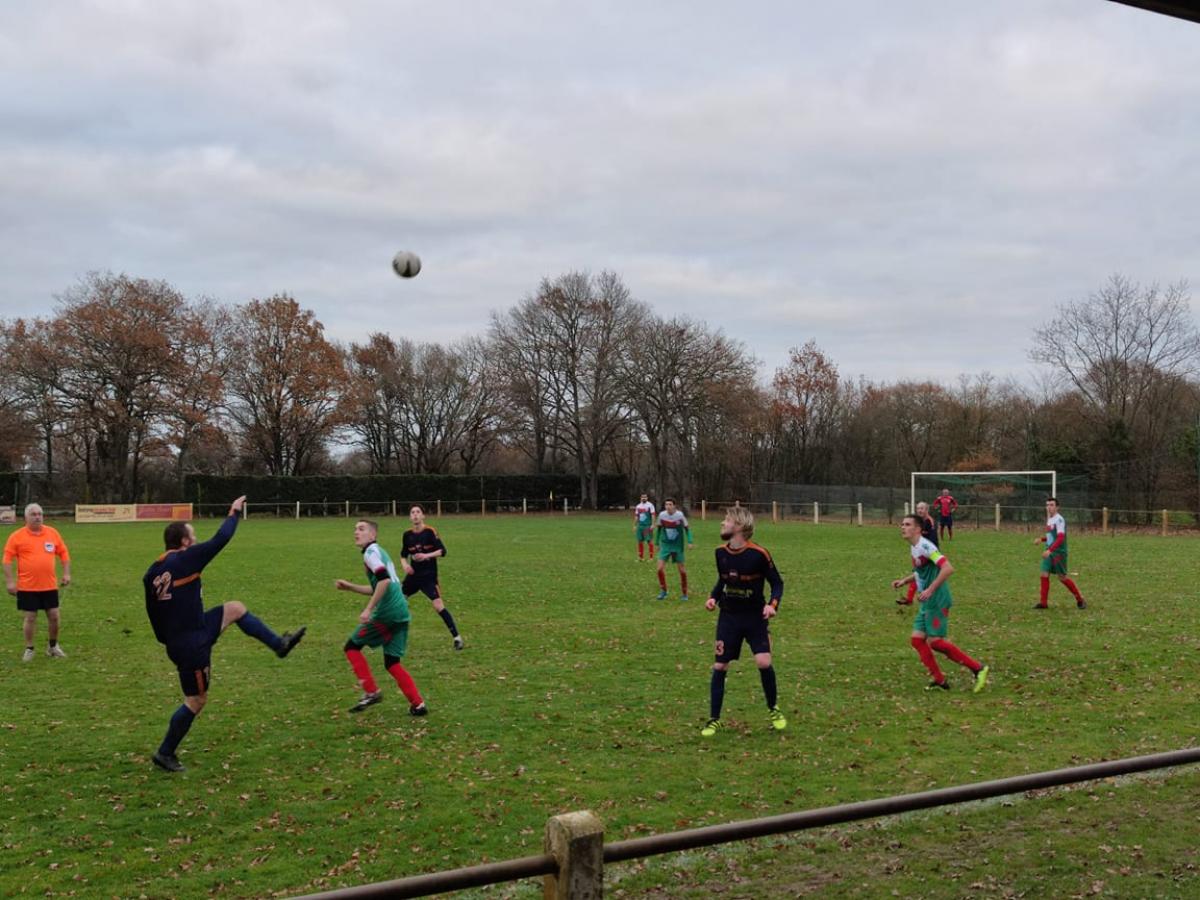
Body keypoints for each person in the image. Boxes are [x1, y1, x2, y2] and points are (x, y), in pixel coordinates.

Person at [143, 496, 306, 772]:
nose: (196, 540)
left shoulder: (152, 572)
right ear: (183, 542)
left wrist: (169, 640)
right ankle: (165, 752)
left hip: (188, 634)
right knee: (196, 700)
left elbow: (153, 616)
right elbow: (221, 539)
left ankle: (279, 644)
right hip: (191, 644)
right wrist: (233, 512)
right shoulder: (187, 559)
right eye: (192, 536)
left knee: (235, 609)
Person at [701, 506, 787, 738]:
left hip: (754, 618)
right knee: (719, 666)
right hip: (728, 618)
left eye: (726, 520)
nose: (722, 524)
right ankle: (714, 719)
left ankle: (773, 709)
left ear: (738, 527)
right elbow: (722, 581)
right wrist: (713, 597)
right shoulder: (720, 553)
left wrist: (772, 605)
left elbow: (777, 583)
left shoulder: (759, 554)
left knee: (763, 662)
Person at [336, 519, 428, 716]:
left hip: (388, 612)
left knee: (351, 647)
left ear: (373, 535)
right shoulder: (379, 552)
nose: (356, 533)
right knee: (392, 662)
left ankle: (371, 691)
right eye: (355, 529)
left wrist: (368, 610)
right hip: (401, 611)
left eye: (361, 529)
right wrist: (350, 587)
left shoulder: (370, 553)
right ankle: (418, 704)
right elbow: (380, 585)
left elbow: (384, 580)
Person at [891, 514, 988, 693]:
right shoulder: (914, 547)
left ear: (918, 529)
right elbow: (921, 572)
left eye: (907, 524)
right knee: (917, 640)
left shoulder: (926, 546)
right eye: (902, 524)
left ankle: (978, 668)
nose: (902, 527)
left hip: (936, 599)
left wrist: (930, 590)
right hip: (927, 600)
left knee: (935, 642)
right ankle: (940, 680)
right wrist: (904, 581)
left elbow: (948, 568)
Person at [4, 503, 71, 662]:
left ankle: (53, 647)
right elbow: (7, 560)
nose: (37, 517)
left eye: (40, 514)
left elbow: (64, 553)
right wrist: (10, 582)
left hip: (49, 585)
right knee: (30, 617)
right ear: (26, 517)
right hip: (27, 587)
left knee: (54, 616)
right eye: (33, 514)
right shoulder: (17, 536)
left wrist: (67, 574)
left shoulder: (52, 533)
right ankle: (29, 648)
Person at [400, 505, 464, 650]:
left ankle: (457, 638)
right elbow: (403, 554)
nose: (415, 515)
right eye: (412, 513)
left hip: (429, 577)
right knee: (398, 600)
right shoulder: (407, 535)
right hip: (413, 577)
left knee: (438, 606)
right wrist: (405, 565)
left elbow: (443, 551)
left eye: (418, 512)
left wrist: (426, 555)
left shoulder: (430, 532)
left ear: (423, 516)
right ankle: (392, 635)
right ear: (410, 517)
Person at [1033, 497, 1087, 610]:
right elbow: (1052, 537)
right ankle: (1043, 603)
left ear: (1057, 507)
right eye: (1047, 505)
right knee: (1044, 574)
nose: (1049, 507)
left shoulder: (1059, 520)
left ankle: (1080, 599)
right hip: (1050, 551)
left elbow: (1060, 538)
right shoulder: (1050, 519)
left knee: (1062, 578)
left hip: (1059, 553)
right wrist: (1042, 540)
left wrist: (1050, 550)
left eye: (1052, 505)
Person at [896, 501, 938, 605]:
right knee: (918, 572)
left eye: (922, 508)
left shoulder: (930, 522)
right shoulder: (916, 523)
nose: (919, 510)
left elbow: (933, 542)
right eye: (918, 508)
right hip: (918, 550)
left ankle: (928, 595)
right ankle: (911, 598)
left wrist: (928, 554)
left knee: (924, 574)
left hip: (928, 553)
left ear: (927, 510)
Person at [654, 498, 693, 600]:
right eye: (666, 504)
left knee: (682, 571)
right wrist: (656, 543)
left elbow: (687, 530)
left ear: (674, 506)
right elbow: (658, 530)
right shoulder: (662, 515)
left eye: (670, 504)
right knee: (659, 569)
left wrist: (690, 541)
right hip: (665, 546)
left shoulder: (680, 516)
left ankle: (684, 593)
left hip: (677, 546)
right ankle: (664, 591)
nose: (668, 506)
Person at [633, 493, 656, 561]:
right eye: (642, 497)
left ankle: (651, 558)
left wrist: (653, 524)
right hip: (640, 526)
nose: (644, 498)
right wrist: (634, 525)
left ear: (647, 498)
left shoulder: (650, 505)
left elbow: (653, 515)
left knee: (649, 541)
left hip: (647, 526)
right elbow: (637, 516)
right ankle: (641, 557)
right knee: (640, 541)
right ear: (640, 498)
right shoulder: (638, 506)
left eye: (645, 497)